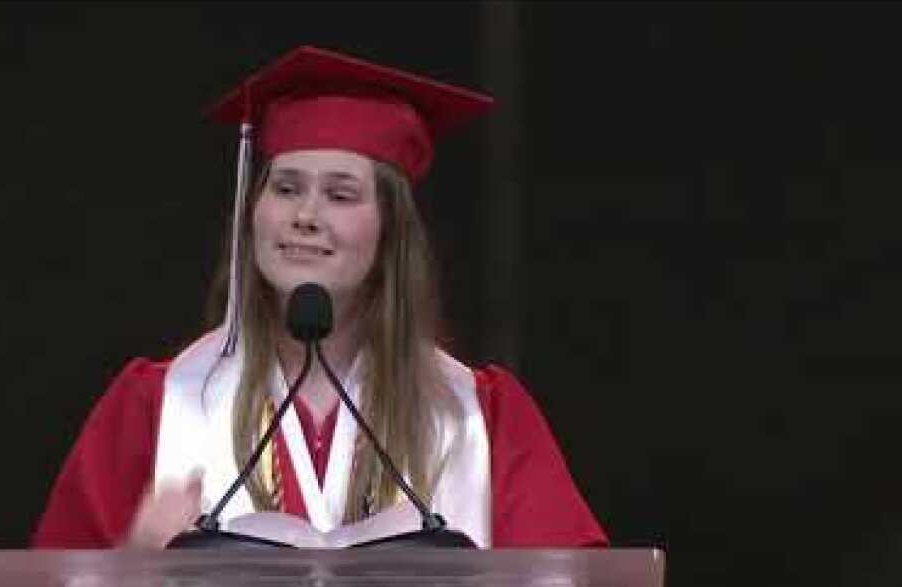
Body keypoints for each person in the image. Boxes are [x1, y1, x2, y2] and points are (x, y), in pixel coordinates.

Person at [32, 46, 607, 550]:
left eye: (341, 194)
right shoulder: (156, 405)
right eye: (286, 188)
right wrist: (131, 562)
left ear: (391, 234)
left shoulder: (481, 416)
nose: (305, 215)